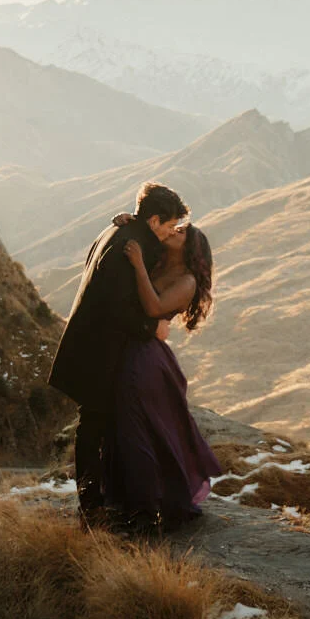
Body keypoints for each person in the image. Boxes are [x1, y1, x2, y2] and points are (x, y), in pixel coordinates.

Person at [46, 181, 190, 526]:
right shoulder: (135, 245)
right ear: (154, 220)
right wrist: (152, 327)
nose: (170, 232)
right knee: (93, 427)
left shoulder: (117, 230)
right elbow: (117, 307)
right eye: (169, 225)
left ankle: (103, 500)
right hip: (100, 352)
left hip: (89, 346)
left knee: (98, 425)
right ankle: (92, 507)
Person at [106, 218, 221, 531]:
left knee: (138, 430)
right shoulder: (157, 257)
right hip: (131, 347)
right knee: (131, 428)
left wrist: (138, 265)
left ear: (190, 247)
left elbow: (155, 308)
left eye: (181, 231)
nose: (174, 230)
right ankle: (132, 503)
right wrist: (133, 221)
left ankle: (145, 510)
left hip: (146, 359)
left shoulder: (187, 281)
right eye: (174, 226)